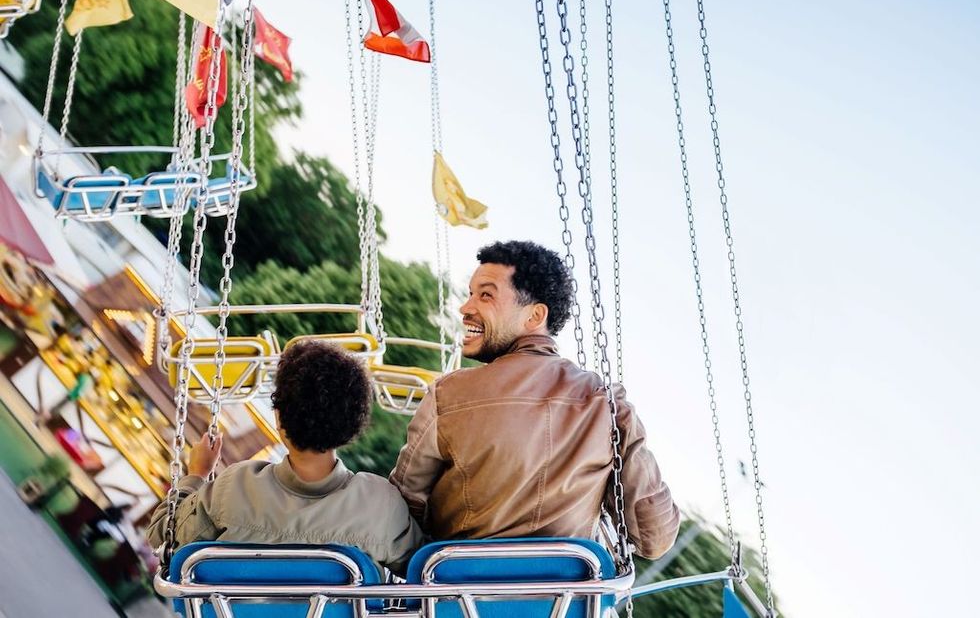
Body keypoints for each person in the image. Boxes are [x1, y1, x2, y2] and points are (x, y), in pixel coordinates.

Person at [390, 240, 680, 559]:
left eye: (485, 295)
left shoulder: (448, 394)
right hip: (567, 602)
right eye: (470, 293)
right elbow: (654, 537)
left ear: (535, 315)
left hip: (457, 598)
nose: (466, 307)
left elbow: (402, 510)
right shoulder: (609, 406)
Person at [147, 340, 422, 572]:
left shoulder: (234, 488)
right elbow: (424, 571)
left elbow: (163, 538)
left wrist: (196, 475)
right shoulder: (381, 506)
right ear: (353, 425)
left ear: (279, 418)